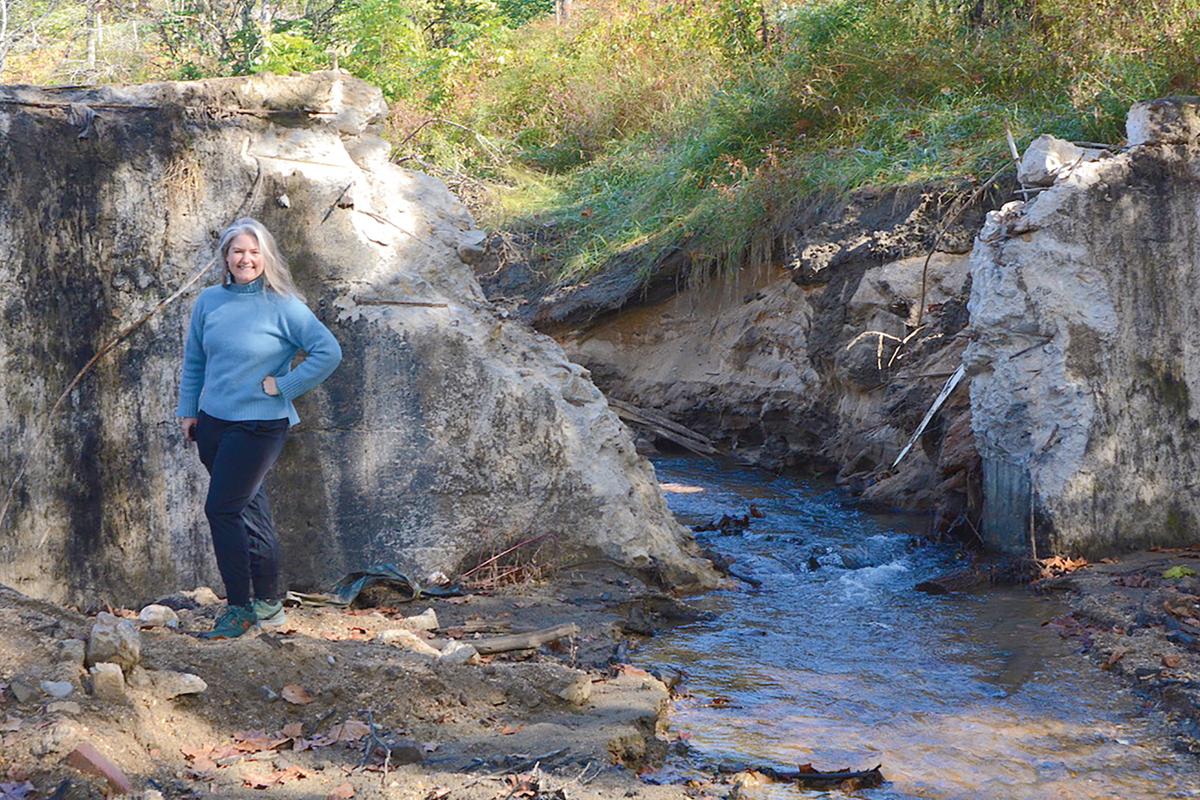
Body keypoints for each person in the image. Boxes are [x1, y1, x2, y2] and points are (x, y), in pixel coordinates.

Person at [176, 218, 342, 639]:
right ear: (226, 258)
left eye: (253, 251)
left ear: (265, 257)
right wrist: (188, 410)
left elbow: (328, 351)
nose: (245, 259)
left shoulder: (284, 305)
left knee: (222, 509)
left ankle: (238, 608)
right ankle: (269, 603)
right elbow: (195, 359)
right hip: (213, 424)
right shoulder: (209, 301)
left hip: (259, 425)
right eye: (237, 251)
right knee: (249, 509)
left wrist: (286, 385)